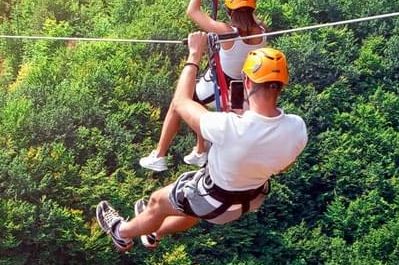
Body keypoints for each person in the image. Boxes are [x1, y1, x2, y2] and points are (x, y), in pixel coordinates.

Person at [97, 32, 307, 252]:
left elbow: (180, 102)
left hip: (213, 200)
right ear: (282, 84)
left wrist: (194, 54)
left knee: (157, 202)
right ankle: (154, 233)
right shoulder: (297, 128)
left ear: (246, 81)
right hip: (249, 200)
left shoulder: (229, 126)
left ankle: (121, 233)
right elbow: (284, 165)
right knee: (191, 209)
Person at [139, 0, 267, 172]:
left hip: (221, 83)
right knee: (199, 104)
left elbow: (192, 12)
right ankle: (200, 150)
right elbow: (245, 12)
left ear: (229, 10)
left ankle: (159, 155)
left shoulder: (227, 32)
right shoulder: (262, 29)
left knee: (179, 102)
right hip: (241, 88)